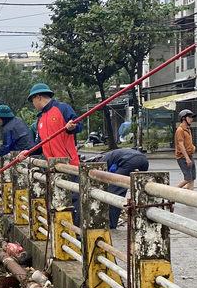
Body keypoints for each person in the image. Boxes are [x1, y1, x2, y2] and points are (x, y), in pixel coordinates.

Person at [20, 83, 83, 226]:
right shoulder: (41, 119)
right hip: (52, 168)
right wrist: (28, 152)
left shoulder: (62, 108)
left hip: (68, 165)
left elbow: (79, 125)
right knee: (56, 201)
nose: (33, 104)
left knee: (73, 200)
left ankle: (77, 234)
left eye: (32, 101)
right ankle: (62, 231)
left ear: (38, 97)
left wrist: (71, 127)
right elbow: (40, 144)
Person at [92, 148, 149, 228]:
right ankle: (142, 222)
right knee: (140, 191)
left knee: (114, 193)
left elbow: (100, 176)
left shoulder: (102, 162)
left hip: (129, 161)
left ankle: (111, 224)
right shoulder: (113, 155)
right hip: (144, 160)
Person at [175, 109, 197, 190]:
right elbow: (181, 145)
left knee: (192, 179)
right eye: (189, 117)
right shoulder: (180, 130)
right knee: (187, 178)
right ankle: (171, 194)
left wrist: (192, 147)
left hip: (189, 155)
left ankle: (190, 199)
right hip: (183, 157)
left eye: (192, 117)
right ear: (183, 118)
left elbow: (187, 143)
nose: (191, 119)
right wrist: (187, 159)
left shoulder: (188, 130)